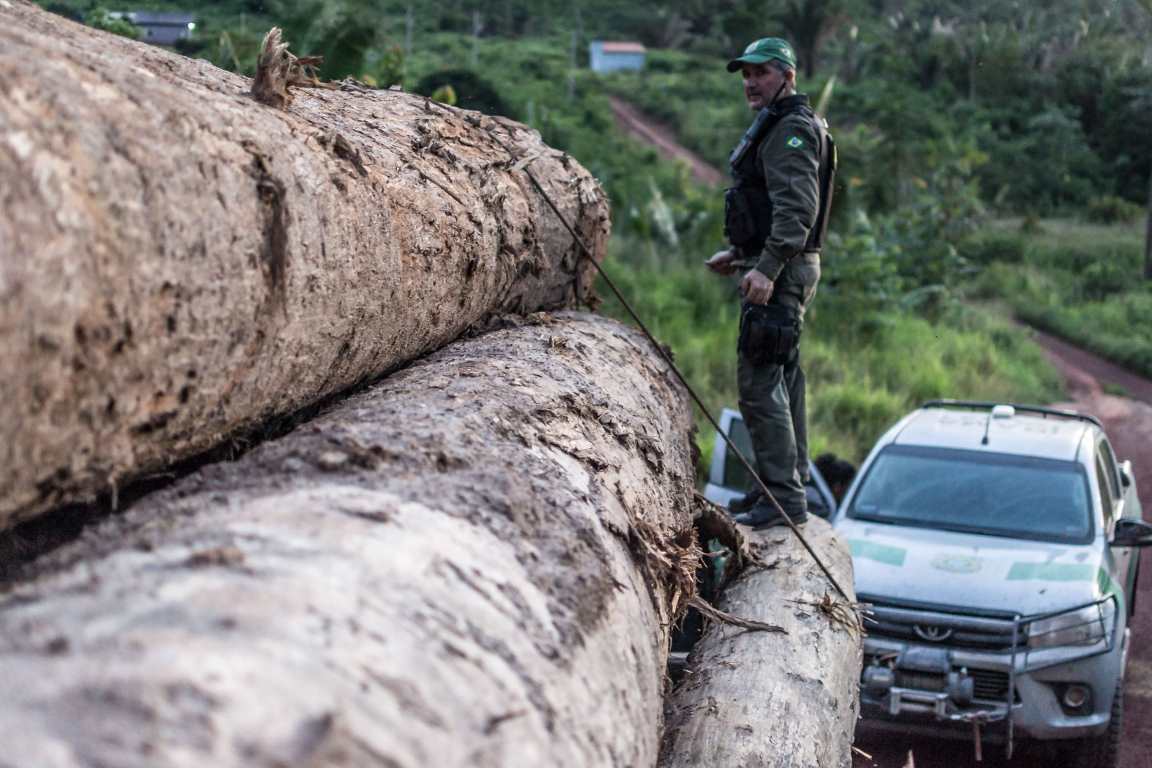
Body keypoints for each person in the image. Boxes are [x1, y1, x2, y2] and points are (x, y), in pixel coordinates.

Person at [705, 37, 836, 528]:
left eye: (760, 72)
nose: (750, 82)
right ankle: (778, 487)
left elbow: (797, 210)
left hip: (784, 270)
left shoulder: (792, 130)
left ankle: (781, 500)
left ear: (787, 75)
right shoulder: (781, 123)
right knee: (783, 377)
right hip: (779, 264)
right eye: (746, 74)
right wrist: (741, 256)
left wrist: (767, 268)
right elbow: (767, 204)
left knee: (760, 383)